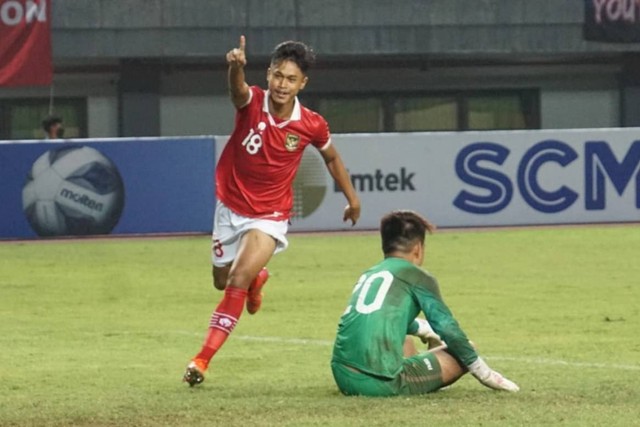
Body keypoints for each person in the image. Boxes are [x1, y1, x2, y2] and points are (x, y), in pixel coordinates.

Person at [183, 36, 361, 386]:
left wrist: (352, 198)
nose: (282, 84)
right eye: (278, 75)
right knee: (222, 280)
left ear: (302, 83)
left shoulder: (311, 124)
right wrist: (235, 68)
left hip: (269, 217)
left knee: (235, 279)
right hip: (229, 207)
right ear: (268, 74)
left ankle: (201, 360)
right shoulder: (252, 102)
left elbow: (332, 157)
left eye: (291, 79)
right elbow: (237, 92)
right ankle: (257, 280)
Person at [331, 210, 519, 396]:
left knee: (404, 337)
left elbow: (383, 317)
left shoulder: (370, 273)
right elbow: (447, 328)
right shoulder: (418, 276)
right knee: (465, 349)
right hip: (379, 383)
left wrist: (424, 329)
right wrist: (485, 373)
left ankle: (420, 367)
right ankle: (422, 375)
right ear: (418, 248)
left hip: (342, 375)